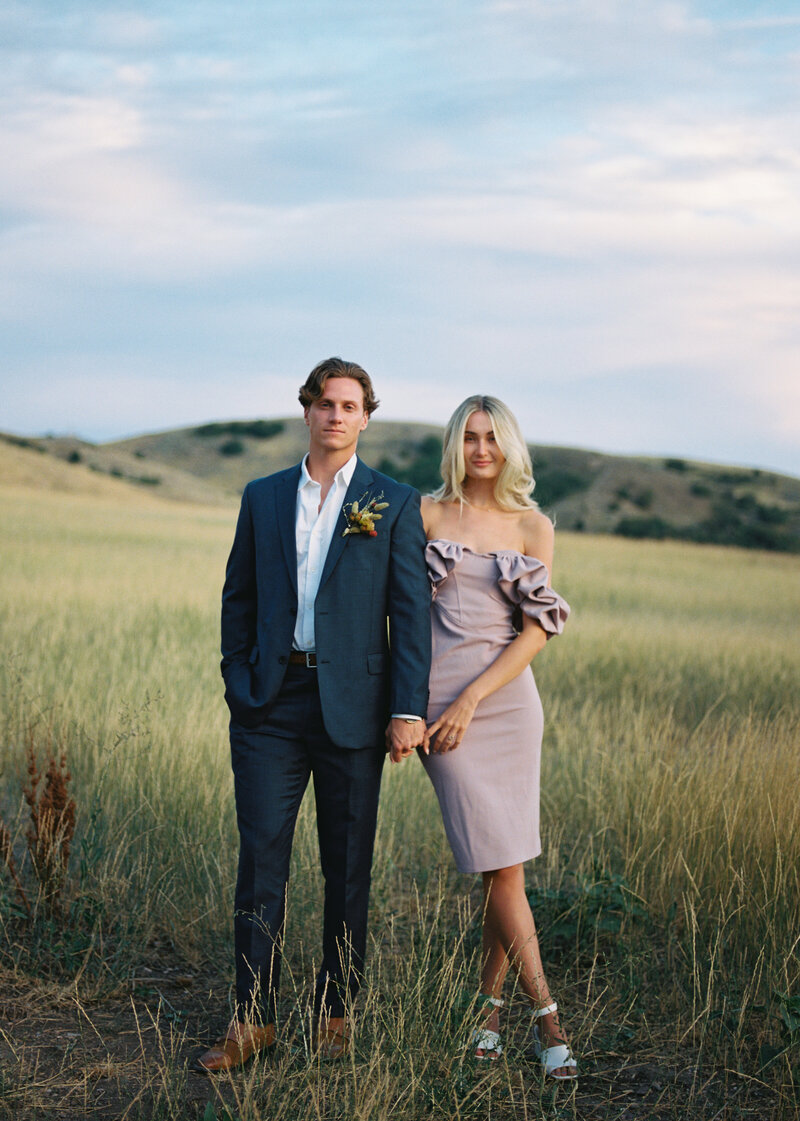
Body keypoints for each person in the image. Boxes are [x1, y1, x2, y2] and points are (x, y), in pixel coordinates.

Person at [197, 357, 431, 1073]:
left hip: (355, 713)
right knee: (261, 861)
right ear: (306, 410)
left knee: (347, 867)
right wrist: (240, 682)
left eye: (349, 405)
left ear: (366, 416)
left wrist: (407, 709)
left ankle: (337, 1011)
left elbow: (410, 614)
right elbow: (238, 596)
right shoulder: (263, 496)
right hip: (270, 705)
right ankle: (251, 1017)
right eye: (324, 403)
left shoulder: (391, 501)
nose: (335, 416)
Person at [418, 394, 577, 1080]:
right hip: (438, 706)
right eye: (470, 437)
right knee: (499, 861)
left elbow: (536, 628)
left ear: (509, 446)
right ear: (455, 444)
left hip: (505, 703)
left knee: (504, 865)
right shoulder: (424, 515)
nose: (481, 449)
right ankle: (548, 1018)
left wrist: (476, 696)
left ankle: (490, 1012)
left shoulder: (531, 525)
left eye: (492, 438)